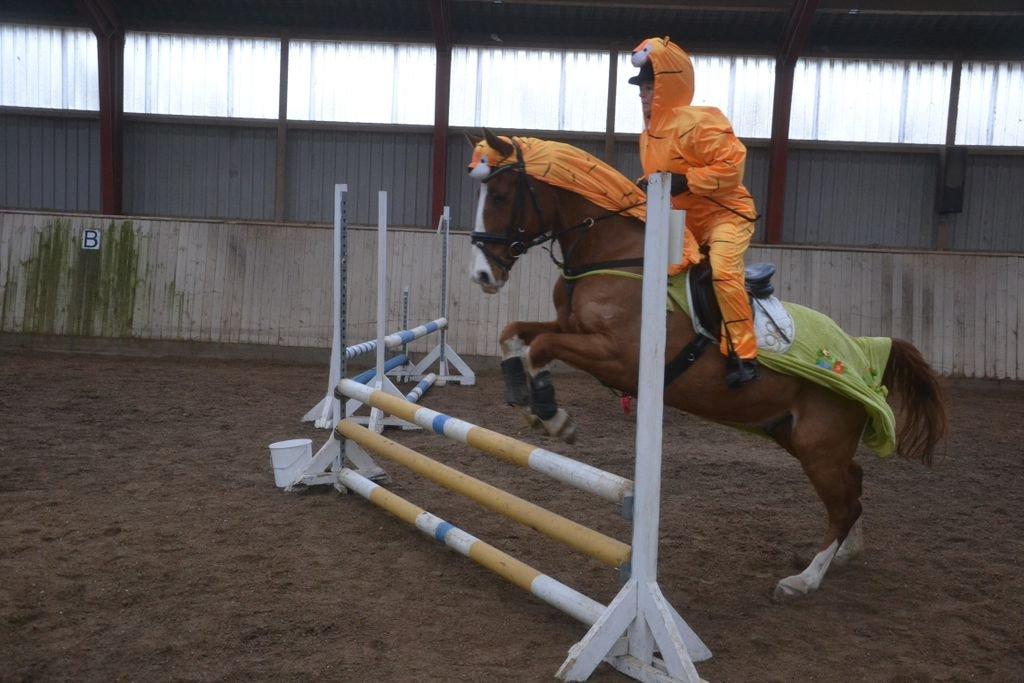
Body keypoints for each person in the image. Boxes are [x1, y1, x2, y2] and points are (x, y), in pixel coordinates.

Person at [630, 36, 760, 388]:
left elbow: (733, 167)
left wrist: (687, 180)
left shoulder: (700, 122)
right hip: (682, 221)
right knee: (650, 272)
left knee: (722, 271)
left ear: (667, 86)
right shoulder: (647, 136)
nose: (643, 95)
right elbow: (660, 180)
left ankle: (743, 354)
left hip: (725, 214)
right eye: (640, 89)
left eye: (649, 87)